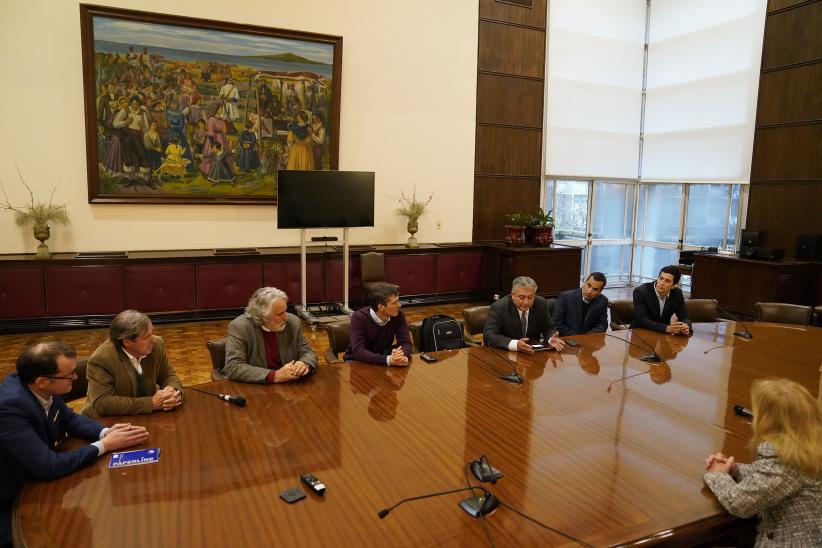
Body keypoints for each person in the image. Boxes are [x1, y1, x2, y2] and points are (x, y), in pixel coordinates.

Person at [0, 342, 149, 545]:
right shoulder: (9, 409)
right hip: (11, 501)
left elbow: (70, 419)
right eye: (69, 375)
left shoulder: (36, 386)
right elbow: (48, 466)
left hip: (36, 482)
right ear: (42, 381)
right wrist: (104, 445)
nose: (76, 377)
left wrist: (106, 432)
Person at [703, 379, 822, 546]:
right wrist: (734, 470)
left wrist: (716, 475)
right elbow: (770, 478)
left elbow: (739, 504)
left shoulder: (783, 458)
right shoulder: (809, 445)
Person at [82, 310, 183, 418]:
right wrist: (151, 403)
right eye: (146, 337)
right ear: (127, 342)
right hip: (105, 422)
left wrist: (173, 391)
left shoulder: (157, 346)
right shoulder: (101, 359)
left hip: (143, 417)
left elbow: (168, 376)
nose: (152, 340)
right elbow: (103, 403)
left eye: (151, 333)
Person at [223, 287, 317, 383]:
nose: (286, 317)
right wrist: (275, 375)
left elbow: (307, 352)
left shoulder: (293, 322)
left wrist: (304, 363)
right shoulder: (240, 327)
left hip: (291, 386)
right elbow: (233, 367)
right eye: (280, 314)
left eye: (285, 310)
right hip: (257, 388)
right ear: (263, 316)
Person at [484, 276, 565, 353]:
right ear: (513, 295)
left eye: (530, 297)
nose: (526, 302)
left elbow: (548, 328)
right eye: (522, 297)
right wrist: (515, 344)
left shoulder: (541, 303)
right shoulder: (499, 307)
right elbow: (489, 336)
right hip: (506, 353)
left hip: (533, 353)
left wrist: (551, 339)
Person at [344, 283, 413, 366]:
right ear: (381, 307)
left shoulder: (398, 315)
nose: (399, 305)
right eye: (395, 303)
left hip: (381, 358)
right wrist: (388, 360)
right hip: (356, 361)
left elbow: (406, 343)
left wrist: (401, 355)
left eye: (398, 301)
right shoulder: (359, 318)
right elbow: (359, 351)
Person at [630, 265, 691, 335]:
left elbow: (684, 317)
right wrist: (666, 328)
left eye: (667, 281)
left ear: (674, 285)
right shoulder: (641, 291)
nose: (661, 283)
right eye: (661, 278)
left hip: (662, 335)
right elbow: (642, 320)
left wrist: (686, 327)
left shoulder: (677, 294)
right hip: (640, 333)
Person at [552, 272, 609, 336]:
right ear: (585, 283)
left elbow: (602, 325)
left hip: (589, 339)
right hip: (567, 338)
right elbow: (556, 323)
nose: (589, 291)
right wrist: (577, 337)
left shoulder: (603, 301)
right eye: (589, 285)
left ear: (600, 291)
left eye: (595, 289)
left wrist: (586, 337)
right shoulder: (566, 297)